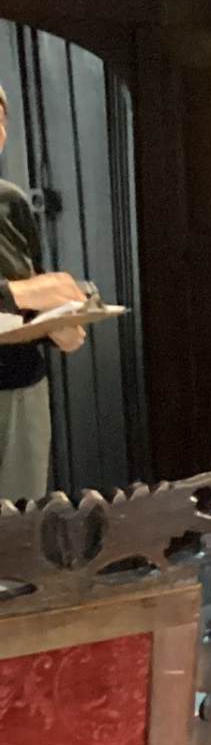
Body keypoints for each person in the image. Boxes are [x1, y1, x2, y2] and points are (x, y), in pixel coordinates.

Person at [0, 82, 88, 502]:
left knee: (21, 520)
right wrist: (25, 293)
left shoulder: (10, 202)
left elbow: (34, 285)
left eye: (0, 119)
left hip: (21, 386)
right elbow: (31, 289)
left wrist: (60, 323)